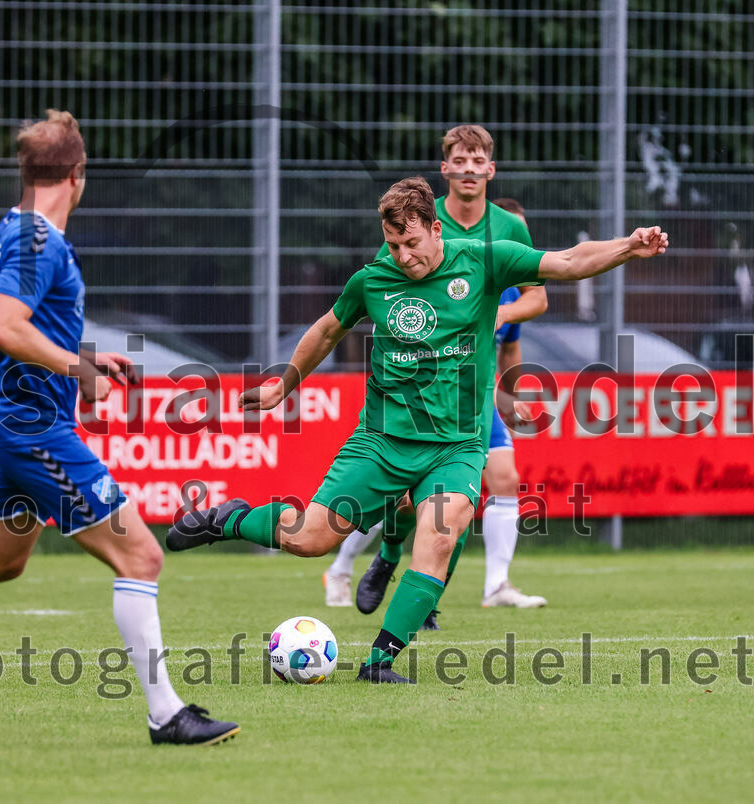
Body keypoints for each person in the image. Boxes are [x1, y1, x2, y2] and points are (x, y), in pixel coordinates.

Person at [166, 175, 667, 683]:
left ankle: (378, 663)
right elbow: (325, 330)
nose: (403, 256)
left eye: (411, 242)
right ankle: (229, 519)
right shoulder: (372, 280)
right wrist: (282, 386)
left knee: (441, 537)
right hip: (381, 442)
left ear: (435, 229)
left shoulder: (484, 258)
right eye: (392, 244)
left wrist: (627, 246)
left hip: (456, 446)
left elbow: (566, 261)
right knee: (308, 539)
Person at [0, 110, 239, 746]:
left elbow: (27, 325)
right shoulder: (40, 242)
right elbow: (5, 327)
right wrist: (78, 371)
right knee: (140, 553)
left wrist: (85, 360)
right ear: (77, 175)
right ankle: (166, 714)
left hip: (20, 417)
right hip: (35, 427)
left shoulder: (16, 228)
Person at [322, 128, 547, 617]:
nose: (469, 167)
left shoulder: (510, 228)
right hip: (416, 390)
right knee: (401, 500)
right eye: (459, 159)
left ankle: (490, 587)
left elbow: (538, 294)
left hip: (472, 390)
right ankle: (377, 559)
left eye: (479, 158)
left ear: (491, 168)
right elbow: (384, 293)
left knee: (490, 485)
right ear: (444, 168)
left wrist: (499, 329)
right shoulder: (417, 222)